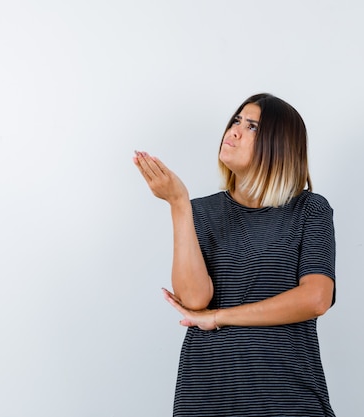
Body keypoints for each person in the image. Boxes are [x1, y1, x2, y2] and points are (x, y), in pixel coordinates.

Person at [133, 93, 337, 417]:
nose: (235, 131)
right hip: (206, 394)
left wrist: (220, 317)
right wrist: (178, 205)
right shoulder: (200, 211)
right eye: (236, 121)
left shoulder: (309, 210)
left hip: (285, 396)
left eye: (252, 126)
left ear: (279, 144)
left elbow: (316, 298)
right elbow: (194, 299)